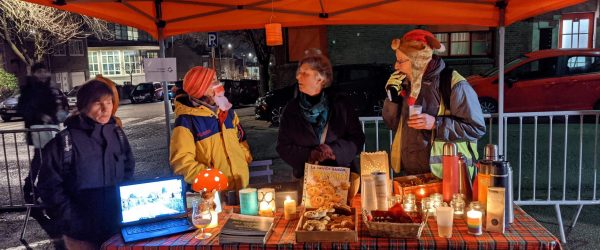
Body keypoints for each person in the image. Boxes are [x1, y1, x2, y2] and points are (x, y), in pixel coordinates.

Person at [37, 80, 135, 249]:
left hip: (115, 229)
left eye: (109, 102)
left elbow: (128, 170)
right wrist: (72, 221)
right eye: (98, 103)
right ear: (82, 105)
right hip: (80, 236)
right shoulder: (64, 142)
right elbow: (49, 188)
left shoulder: (117, 134)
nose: (105, 109)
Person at [382, 29, 486, 178]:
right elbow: (392, 124)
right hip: (410, 174)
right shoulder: (405, 84)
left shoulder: (453, 83)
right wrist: (392, 98)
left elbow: (476, 128)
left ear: (418, 59)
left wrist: (435, 124)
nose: (395, 66)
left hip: (446, 176)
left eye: (400, 61)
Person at [276, 49, 365, 178]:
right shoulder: (291, 110)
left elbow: (357, 138)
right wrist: (310, 154)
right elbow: (283, 146)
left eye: (305, 73)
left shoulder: (341, 105)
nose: (297, 77)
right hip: (308, 181)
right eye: (299, 72)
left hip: (341, 179)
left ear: (320, 79)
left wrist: (334, 151)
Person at [170, 66, 252, 190]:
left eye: (217, 80)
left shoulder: (227, 111)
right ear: (200, 89)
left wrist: (245, 159)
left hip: (242, 186)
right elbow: (181, 163)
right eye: (213, 81)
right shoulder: (186, 121)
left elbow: (240, 139)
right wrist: (213, 178)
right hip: (213, 195)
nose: (218, 84)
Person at [18, 63, 68, 203]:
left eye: (44, 71)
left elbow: (56, 104)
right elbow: (23, 108)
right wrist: (40, 116)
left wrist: (58, 113)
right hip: (38, 128)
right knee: (40, 157)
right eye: (39, 71)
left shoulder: (49, 87)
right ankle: (31, 185)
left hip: (51, 127)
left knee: (46, 157)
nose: (42, 74)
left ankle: (36, 185)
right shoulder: (29, 88)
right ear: (33, 73)